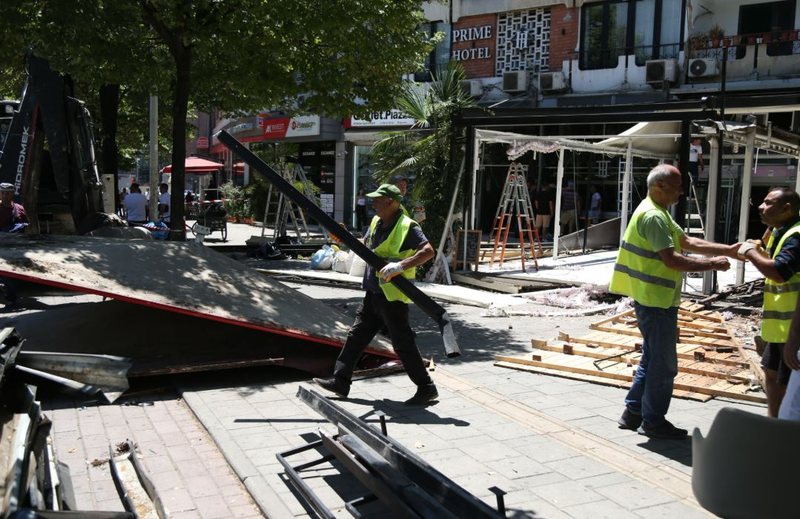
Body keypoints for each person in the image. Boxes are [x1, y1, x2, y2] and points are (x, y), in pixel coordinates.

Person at [610, 164, 738, 439]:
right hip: (656, 301)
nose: (682, 191)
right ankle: (653, 421)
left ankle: (633, 413)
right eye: (677, 186)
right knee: (664, 364)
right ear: (660, 186)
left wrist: (728, 250)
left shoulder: (658, 212)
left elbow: (686, 240)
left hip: (653, 299)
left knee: (652, 358)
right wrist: (713, 264)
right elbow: (673, 259)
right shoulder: (653, 216)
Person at [313, 183, 439, 405]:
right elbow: (366, 246)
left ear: (391, 202)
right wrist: (344, 239)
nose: (372, 203)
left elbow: (428, 251)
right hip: (374, 292)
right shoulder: (376, 222)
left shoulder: (407, 225)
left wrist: (400, 265)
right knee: (356, 337)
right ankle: (341, 381)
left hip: (393, 297)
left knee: (402, 343)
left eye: (377, 200)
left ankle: (426, 387)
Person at [737, 187, 800, 417]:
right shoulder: (779, 230)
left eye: (768, 203)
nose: (761, 207)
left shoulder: (796, 236)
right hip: (779, 329)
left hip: (793, 330)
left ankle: (783, 433)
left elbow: (779, 272)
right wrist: (759, 248)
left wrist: (751, 252)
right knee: (771, 375)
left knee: (786, 384)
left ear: (786, 209)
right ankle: (772, 424)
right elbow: (769, 255)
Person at [0, 182, 28, 306]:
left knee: (9, 275)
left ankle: (11, 298)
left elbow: (26, 226)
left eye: (7, 193)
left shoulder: (19, 209)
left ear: (12, 193)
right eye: (2, 193)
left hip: (13, 249)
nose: (5, 196)